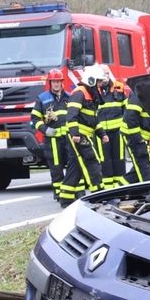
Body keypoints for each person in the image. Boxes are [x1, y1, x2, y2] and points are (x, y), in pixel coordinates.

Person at [59, 64, 107, 206]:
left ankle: (66, 198)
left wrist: (102, 134)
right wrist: (75, 134)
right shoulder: (79, 93)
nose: (100, 85)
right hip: (79, 136)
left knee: (76, 167)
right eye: (98, 81)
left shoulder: (90, 94)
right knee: (92, 162)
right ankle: (99, 195)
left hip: (85, 135)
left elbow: (93, 119)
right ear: (91, 80)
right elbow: (71, 115)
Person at [31, 68, 71, 201]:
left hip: (69, 138)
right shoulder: (42, 98)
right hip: (52, 140)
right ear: (50, 82)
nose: (56, 84)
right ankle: (59, 193)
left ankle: (73, 191)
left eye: (58, 81)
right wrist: (45, 129)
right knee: (56, 168)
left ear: (62, 82)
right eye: (54, 81)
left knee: (73, 165)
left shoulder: (69, 97)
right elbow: (35, 119)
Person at [123, 63, 150, 183]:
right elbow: (130, 117)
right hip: (135, 136)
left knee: (137, 172)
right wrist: (137, 139)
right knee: (147, 169)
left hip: (142, 137)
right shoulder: (140, 91)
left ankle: (116, 191)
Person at [95, 64, 130, 189]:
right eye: (102, 74)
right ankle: (108, 190)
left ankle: (120, 189)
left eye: (106, 73)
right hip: (101, 133)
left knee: (119, 160)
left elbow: (127, 108)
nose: (105, 77)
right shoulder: (94, 90)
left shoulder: (119, 88)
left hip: (118, 132)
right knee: (105, 161)